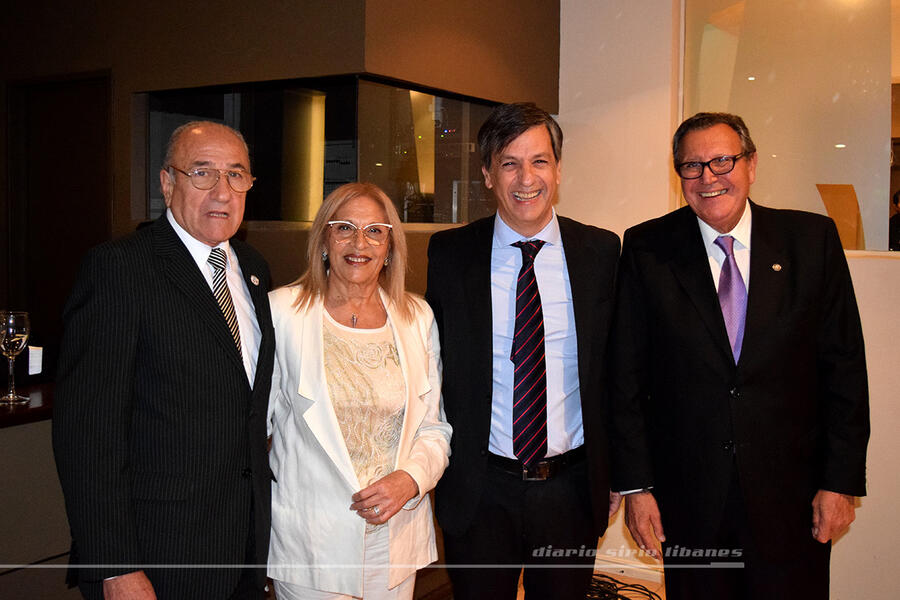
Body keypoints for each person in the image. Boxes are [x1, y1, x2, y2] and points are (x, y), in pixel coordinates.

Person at [609, 112, 870, 599]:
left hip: (794, 499)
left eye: (722, 161)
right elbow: (626, 377)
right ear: (680, 177)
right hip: (689, 500)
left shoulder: (811, 242)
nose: (709, 177)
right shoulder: (647, 248)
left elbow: (845, 370)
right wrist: (636, 487)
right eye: (692, 166)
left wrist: (841, 482)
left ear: (751, 165)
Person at [53, 121, 275, 599]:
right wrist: (115, 567)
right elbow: (87, 434)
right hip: (156, 557)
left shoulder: (254, 269)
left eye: (237, 175)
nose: (222, 190)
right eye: (202, 173)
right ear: (167, 182)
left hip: (243, 550)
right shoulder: (119, 269)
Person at [425, 103, 620, 599]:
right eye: (509, 163)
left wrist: (621, 472)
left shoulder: (601, 252)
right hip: (480, 484)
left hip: (570, 488)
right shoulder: (450, 254)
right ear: (488, 175)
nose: (525, 177)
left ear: (557, 169)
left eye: (539, 161)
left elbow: (619, 372)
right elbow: (429, 364)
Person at [266, 182, 451, 600]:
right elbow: (252, 430)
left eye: (374, 231)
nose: (359, 242)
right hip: (311, 545)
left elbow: (435, 428)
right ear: (324, 240)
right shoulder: (282, 313)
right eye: (344, 227)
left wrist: (411, 479)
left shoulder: (417, 317)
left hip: (396, 537)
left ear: (389, 246)